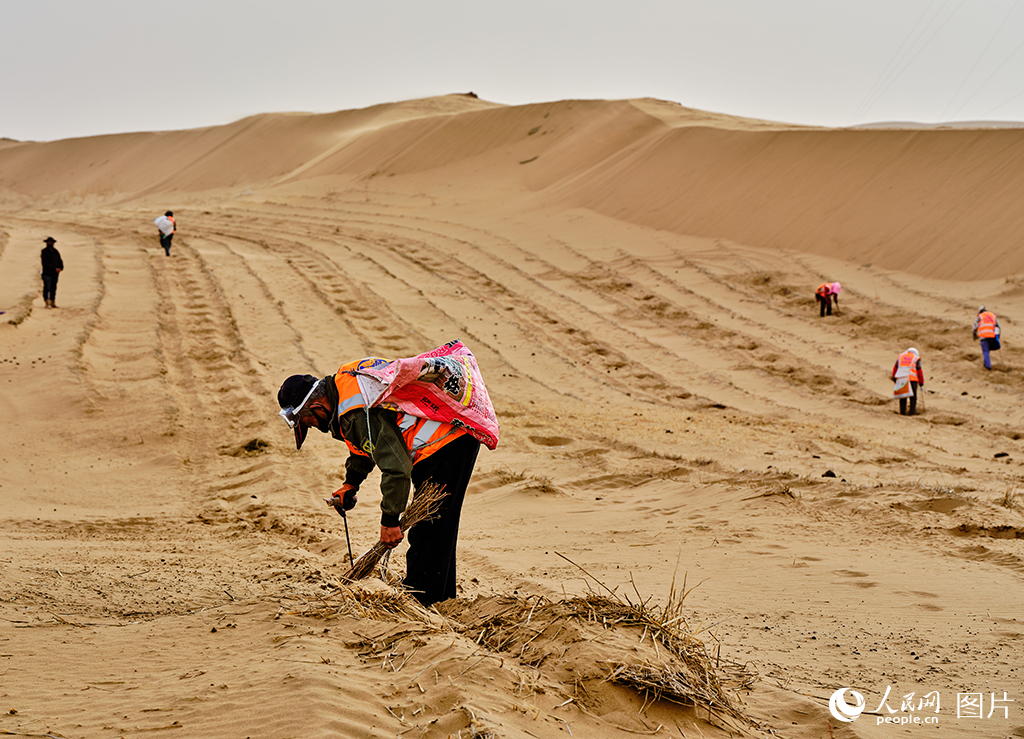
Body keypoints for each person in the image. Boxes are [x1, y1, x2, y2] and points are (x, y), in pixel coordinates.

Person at [277, 343, 497, 606]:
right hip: (447, 439)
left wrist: (390, 521)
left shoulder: (352, 412)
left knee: (429, 528)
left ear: (316, 408)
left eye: (308, 423)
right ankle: (441, 598)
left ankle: (422, 601)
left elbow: (396, 467)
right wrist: (351, 483)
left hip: (445, 442)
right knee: (438, 523)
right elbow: (366, 445)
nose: (314, 428)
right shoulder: (343, 384)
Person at [891, 347, 924, 416]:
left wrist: (894, 377)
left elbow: (895, 367)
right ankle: (912, 412)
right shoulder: (915, 358)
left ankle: (902, 412)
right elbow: (919, 370)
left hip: (901, 378)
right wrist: (921, 382)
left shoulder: (901, 356)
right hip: (912, 379)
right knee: (913, 397)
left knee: (903, 395)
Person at [972, 306, 1001, 370]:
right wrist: (998, 336)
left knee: (985, 351)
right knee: (987, 350)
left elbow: (975, 326)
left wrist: (974, 334)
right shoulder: (992, 315)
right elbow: (998, 326)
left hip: (984, 336)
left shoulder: (980, 316)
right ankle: (986, 363)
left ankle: (987, 366)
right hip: (992, 336)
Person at [40, 236, 63, 308]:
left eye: (51, 242)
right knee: (47, 287)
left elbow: (60, 261)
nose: (50, 243)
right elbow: (45, 263)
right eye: (49, 242)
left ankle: (53, 302)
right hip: (47, 273)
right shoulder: (44, 252)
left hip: (55, 274)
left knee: (53, 288)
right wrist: (55, 268)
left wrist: (60, 268)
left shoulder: (56, 252)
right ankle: (47, 302)